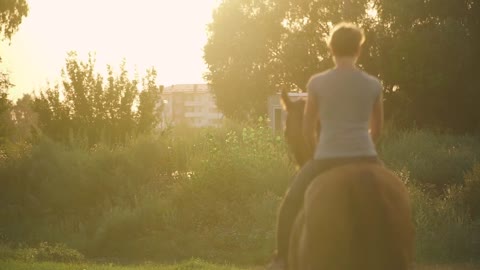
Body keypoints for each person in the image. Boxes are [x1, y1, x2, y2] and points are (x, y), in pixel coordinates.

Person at [267, 22, 384, 270]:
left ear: (331, 49)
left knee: (291, 200)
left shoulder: (317, 83)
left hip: (327, 157)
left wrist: (315, 152)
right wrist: (364, 150)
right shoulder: (373, 84)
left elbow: (308, 129)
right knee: (394, 195)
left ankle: (281, 259)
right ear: (358, 50)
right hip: (366, 156)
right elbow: (378, 129)